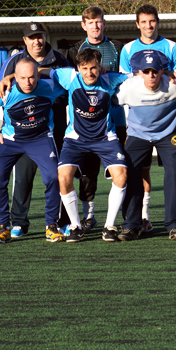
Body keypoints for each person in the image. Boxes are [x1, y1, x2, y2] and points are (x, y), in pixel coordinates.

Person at [0, 22, 70, 238]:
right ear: (25, 40)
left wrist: (44, 98)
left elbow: (67, 88)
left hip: (53, 128)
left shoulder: (59, 58)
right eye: (32, 37)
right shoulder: (12, 62)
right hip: (23, 132)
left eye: (41, 36)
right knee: (23, 177)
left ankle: (59, 222)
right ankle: (19, 222)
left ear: (46, 37)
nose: (37, 41)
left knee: (57, 175)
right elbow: (3, 96)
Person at [45, 48, 129, 242]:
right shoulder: (69, 77)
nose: (89, 73)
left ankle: (109, 227)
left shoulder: (111, 79)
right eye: (84, 68)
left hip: (105, 138)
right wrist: (12, 76)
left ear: (100, 67)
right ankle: (75, 227)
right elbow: (44, 71)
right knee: (63, 177)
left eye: (93, 68)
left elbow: (135, 78)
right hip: (75, 139)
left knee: (122, 176)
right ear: (78, 68)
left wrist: (167, 74)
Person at [0, 59, 67, 243]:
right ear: (15, 77)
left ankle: (51, 225)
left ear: (38, 75)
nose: (28, 82)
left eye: (31, 77)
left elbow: (74, 85)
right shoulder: (6, 90)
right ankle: (3, 226)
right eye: (22, 78)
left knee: (53, 177)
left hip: (41, 139)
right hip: (11, 141)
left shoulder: (50, 86)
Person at [63, 6, 128, 234]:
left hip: (113, 120)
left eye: (98, 21)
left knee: (121, 170)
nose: (95, 26)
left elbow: (129, 77)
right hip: (83, 122)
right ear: (84, 25)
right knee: (88, 171)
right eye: (90, 22)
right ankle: (88, 215)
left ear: (104, 22)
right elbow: (63, 77)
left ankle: (125, 219)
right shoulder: (74, 50)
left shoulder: (118, 47)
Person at [115, 50, 176, 240]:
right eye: (146, 71)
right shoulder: (128, 88)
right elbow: (108, 97)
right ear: (139, 72)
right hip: (138, 135)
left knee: (173, 172)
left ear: (162, 71)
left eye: (155, 71)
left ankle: (175, 224)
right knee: (131, 172)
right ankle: (132, 224)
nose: (151, 75)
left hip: (167, 134)